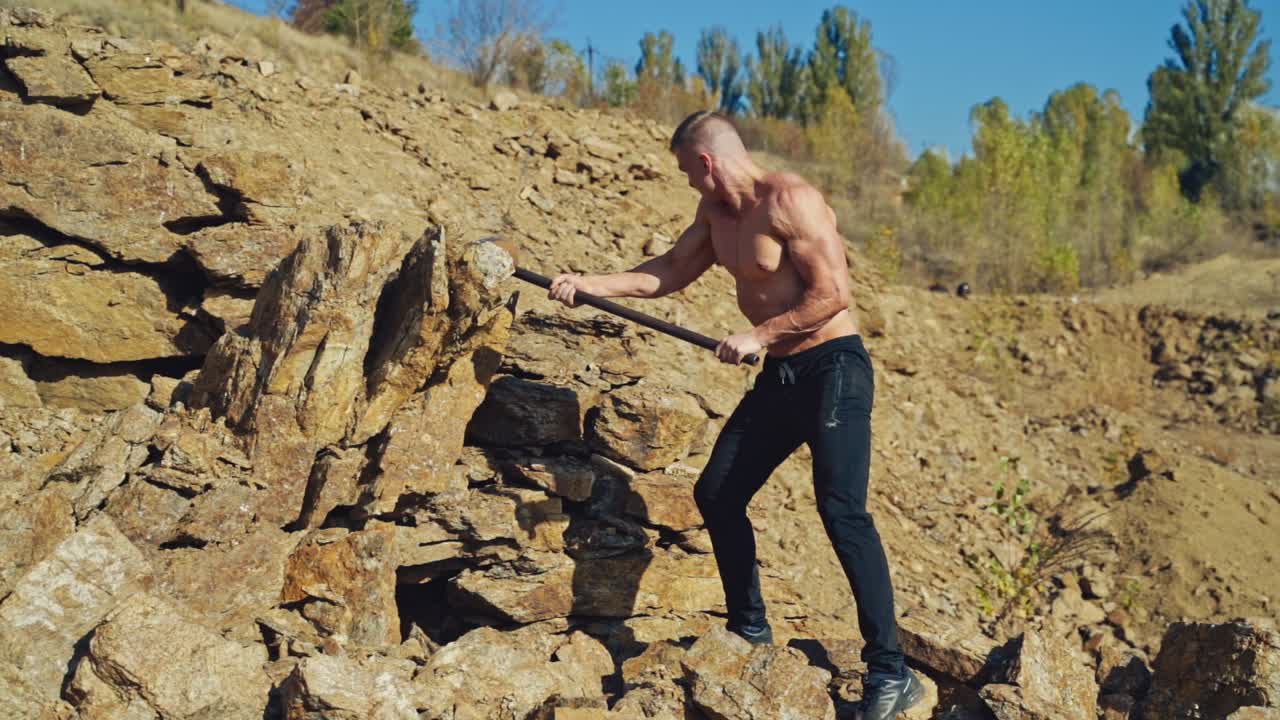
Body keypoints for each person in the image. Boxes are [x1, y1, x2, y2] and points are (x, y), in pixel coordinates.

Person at [548, 110, 923, 720]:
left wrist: (760, 332)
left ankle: (891, 670)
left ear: (706, 163)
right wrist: (587, 285)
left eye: (687, 174)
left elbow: (834, 294)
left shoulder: (791, 201)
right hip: (782, 376)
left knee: (841, 511)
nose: (689, 186)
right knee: (718, 491)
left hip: (833, 370)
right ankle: (750, 629)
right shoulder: (715, 217)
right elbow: (666, 272)